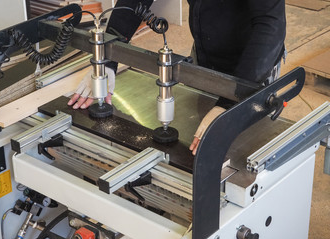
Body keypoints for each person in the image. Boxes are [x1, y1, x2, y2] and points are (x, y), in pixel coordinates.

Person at [68, 0, 287, 155]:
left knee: (240, 153)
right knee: (198, 139)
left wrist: (231, 101)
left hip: (253, 66)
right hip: (206, 56)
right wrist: (107, 60)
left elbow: (271, 26)